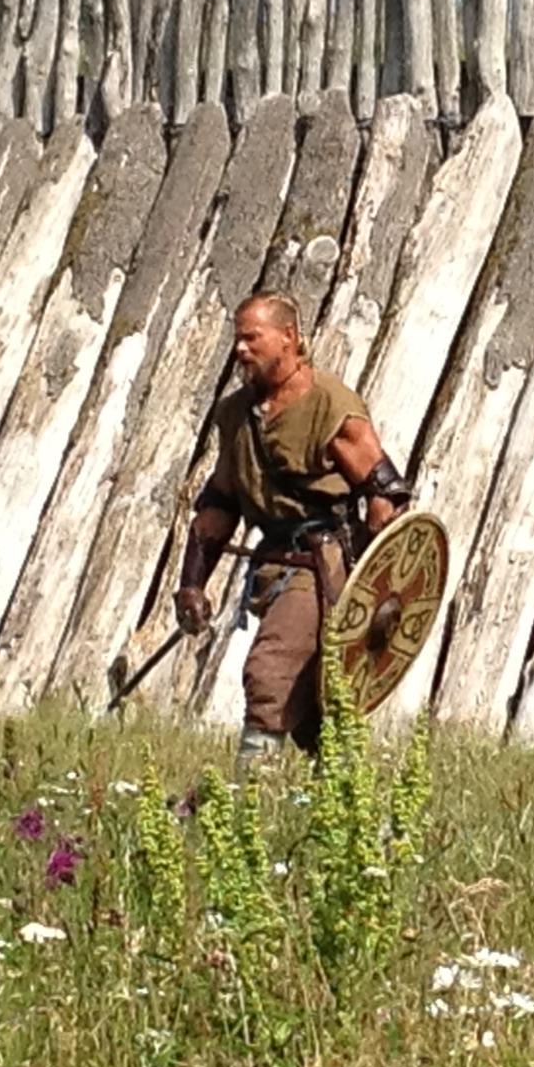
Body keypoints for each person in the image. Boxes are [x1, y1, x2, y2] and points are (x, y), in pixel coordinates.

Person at [174, 292, 409, 761]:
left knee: (269, 671)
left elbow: (384, 494)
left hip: (324, 564)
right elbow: (220, 505)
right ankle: (348, 808)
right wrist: (192, 583)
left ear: (289, 338)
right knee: (310, 706)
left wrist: (375, 584)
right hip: (272, 564)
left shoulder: (329, 404)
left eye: (252, 338)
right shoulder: (235, 414)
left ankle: (243, 803)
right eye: (236, 339)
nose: (240, 349)